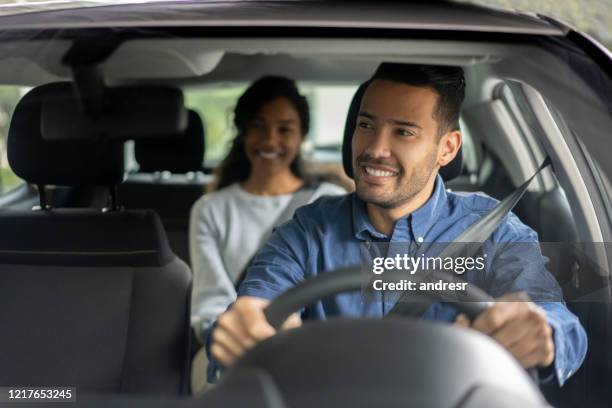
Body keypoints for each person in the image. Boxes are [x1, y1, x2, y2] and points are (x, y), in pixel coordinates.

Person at [206, 64, 587, 386]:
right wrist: (244, 328)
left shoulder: (496, 230)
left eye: (403, 132)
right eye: (367, 125)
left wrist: (543, 334)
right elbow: (256, 305)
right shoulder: (309, 229)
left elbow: (560, 325)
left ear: (448, 148)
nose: (375, 149)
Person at [189, 76, 346, 343]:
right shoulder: (211, 209)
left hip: (314, 343)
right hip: (237, 345)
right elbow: (210, 304)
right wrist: (239, 339)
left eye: (284, 130)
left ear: (301, 136)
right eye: (258, 126)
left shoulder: (330, 201)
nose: (270, 140)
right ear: (243, 132)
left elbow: (339, 295)